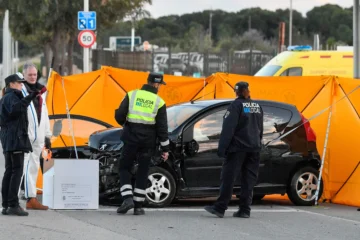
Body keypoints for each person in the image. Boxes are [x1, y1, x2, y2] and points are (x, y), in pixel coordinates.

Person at [204, 81, 264, 219]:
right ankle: (245, 209)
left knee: (228, 178)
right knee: (248, 180)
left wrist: (222, 148)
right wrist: (258, 143)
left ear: (236, 92)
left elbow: (228, 129)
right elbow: (260, 128)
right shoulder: (257, 106)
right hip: (254, 148)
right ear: (248, 90)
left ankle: (220, 207)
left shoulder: (235, 106)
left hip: (238, 148)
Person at [114, 72, 170, 215]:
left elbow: (119, 115)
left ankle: (127, 199)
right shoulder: (159, 102)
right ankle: (138, 206)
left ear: (147, 81)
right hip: (148, 142)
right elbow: (162, 128)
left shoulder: (132, 95)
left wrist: (126, 125)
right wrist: (165, 148)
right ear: (157, 84)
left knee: (124, 168)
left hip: (131, 138)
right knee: (143, 171)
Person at [0, 73, 39, 216]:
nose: (21, 85)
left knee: (10, 171)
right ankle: (13, 205)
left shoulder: (7, 97)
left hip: (10, 139)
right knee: (16, 171)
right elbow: (16, 111)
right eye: (19, 83)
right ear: (11, 84)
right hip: (14, 140)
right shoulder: (10, 97)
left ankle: (6, 204)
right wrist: (30, 97)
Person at [20, 62, 52, 210]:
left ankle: (31, 198)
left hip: (38, 136)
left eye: (34, 74)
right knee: (23, 166)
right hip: (26, 135)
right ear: (24, 75)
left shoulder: (41, 91)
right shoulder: (20, 91)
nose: (33, 77)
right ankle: (19, 198)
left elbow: (44, 114)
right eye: (29, 75)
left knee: (33, 167)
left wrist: (47, 135)